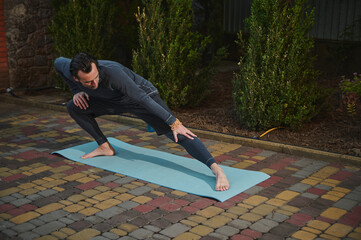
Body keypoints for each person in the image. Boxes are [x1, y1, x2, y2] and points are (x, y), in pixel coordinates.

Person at [54, 52, 229, 191]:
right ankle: (104, 146)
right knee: (74, 106)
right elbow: (57, 62)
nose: (94, 83)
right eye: (88, 82)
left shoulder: (113, 74)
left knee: (178, 133)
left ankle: (216, 169)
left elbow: (141, 97)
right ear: (76, 77)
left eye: (96, 77)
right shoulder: (69, 69)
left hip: (142, 98)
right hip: (112, 101)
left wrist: (174, 122)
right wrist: (76, 90)